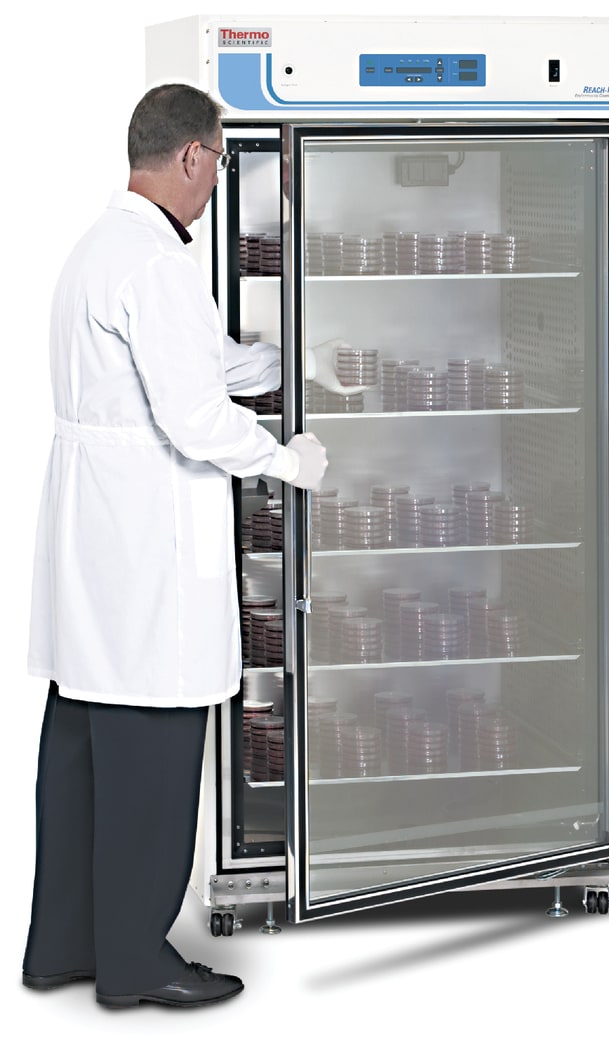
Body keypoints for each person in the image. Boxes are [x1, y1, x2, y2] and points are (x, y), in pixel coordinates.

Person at [21, 83, 346, 1010]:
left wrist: (290, 361)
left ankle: (64, 944)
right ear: (194, 156)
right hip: (146, 546)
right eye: (219, 159)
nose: (216, 180)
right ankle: (135, 962)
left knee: (79, 751)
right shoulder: (158, 264)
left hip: (96, 541)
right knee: (154, 759)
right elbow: (195, 415)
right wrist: (285, 460)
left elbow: (191, 363)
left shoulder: (102, 247)